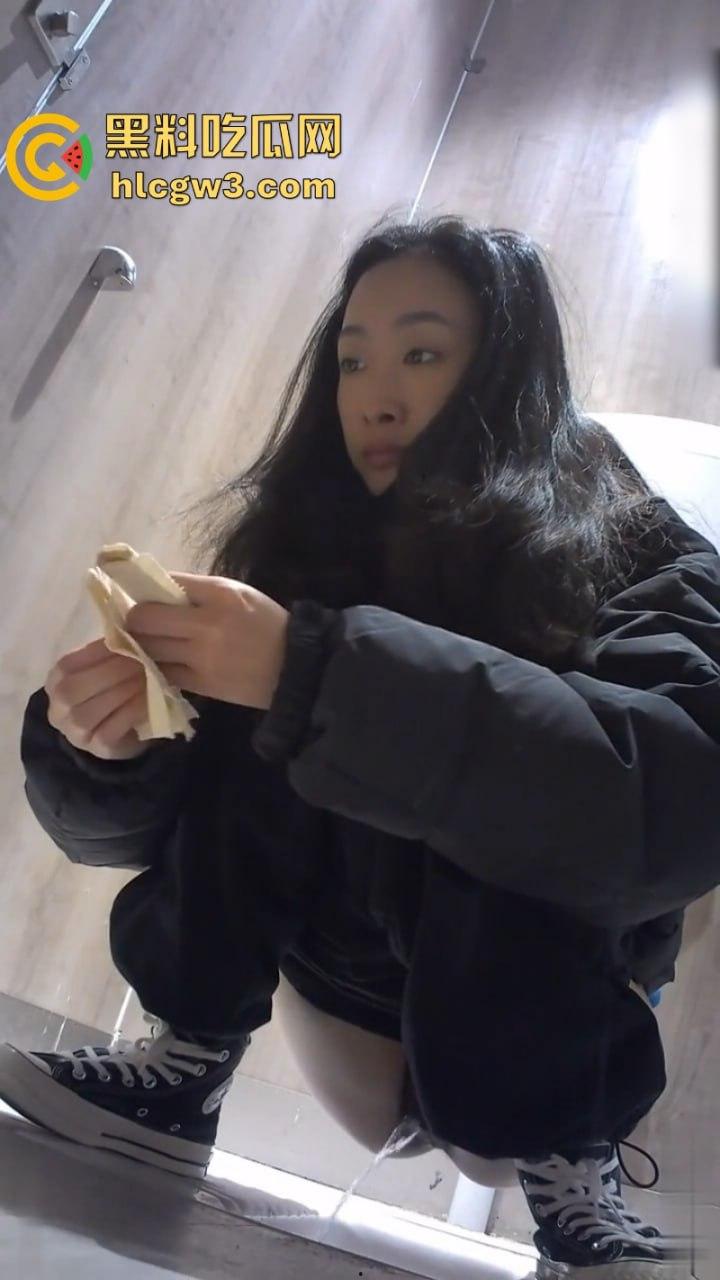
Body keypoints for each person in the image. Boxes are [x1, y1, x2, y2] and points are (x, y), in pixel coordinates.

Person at [9, 215, 720, 1277]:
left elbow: (664, 806)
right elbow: (151, 830)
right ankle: (182, 1071)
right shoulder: (308, 547)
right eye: (352, 361)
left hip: (535, 1018)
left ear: (512, 372)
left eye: (421, 353)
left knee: (505, 741)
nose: (374, 398)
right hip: (333, 978)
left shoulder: (653, 562)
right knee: (288, 680)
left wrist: (321, 674)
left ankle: (574, 1171)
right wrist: (102, 752)